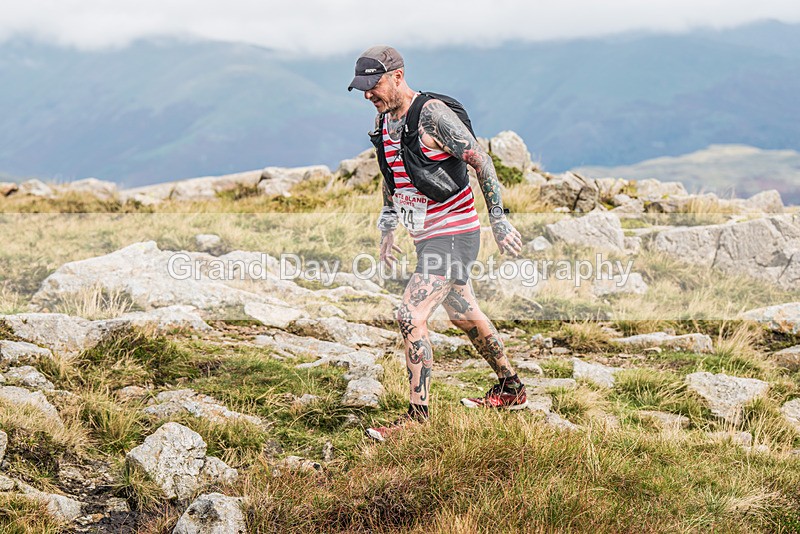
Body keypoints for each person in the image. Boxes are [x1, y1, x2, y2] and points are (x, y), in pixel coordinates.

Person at [347, 45, 528, 442]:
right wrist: (387, 228)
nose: (367, 95)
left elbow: (481, 160)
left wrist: (498, 221)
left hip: (454, 234)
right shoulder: (382, 123)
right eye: (362, 89)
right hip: (425, 237)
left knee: (410, 315)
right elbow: (391, 174)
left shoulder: (430, 115)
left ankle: (417, 420)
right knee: (464, 313)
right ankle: (511, 388)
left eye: (373, 85)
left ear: (397, 76)